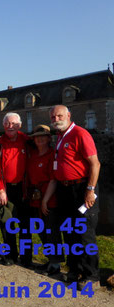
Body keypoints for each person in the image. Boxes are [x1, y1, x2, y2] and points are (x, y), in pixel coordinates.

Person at [50, 105, 101, 290]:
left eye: (60, 115)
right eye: (53, 116)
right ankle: (75, 270)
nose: (56, 119)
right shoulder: (60, 136)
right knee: (70, 232)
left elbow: (95, 164)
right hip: (65, 191)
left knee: (85, 234)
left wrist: (90, 190)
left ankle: (92, 276)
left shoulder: (80, 133)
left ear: (69, 116)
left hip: (81, 189)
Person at [0, 112, 29, 266]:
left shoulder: (27, 141)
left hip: (23, 189)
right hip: (5, 190)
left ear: (20, 125)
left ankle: (26, 258)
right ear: (3, 125)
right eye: (7, 124)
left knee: (25, 224)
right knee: (6, 222)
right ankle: (11, 254)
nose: (10, 126)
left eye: (14, 123)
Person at [26, 124, 63, 275]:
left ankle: (56, 264)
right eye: (36, 137)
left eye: (43, 136)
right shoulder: (33, 155)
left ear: (48, 138)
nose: (39, 139)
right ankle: (50, 259)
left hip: (49, 197)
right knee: (41, 230)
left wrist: (45, 201)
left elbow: (53, 179)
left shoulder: (53, 154)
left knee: (51, 230)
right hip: (36, 196)